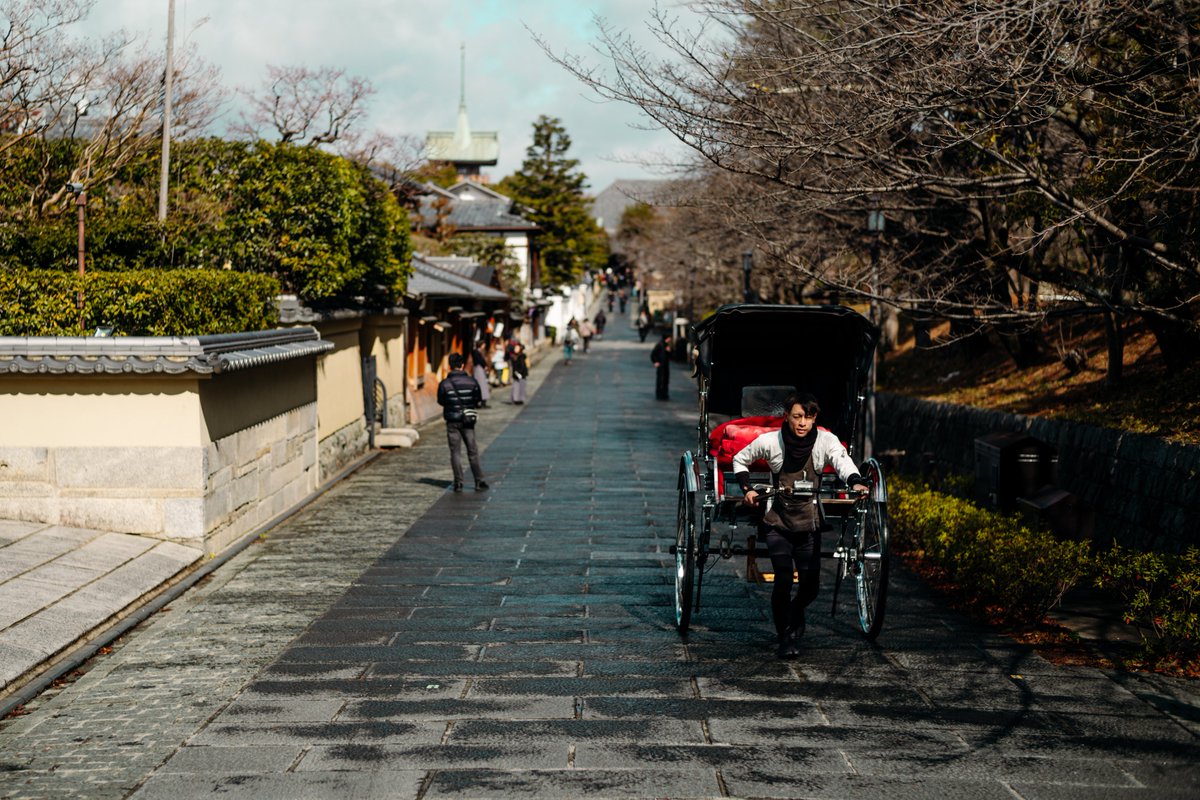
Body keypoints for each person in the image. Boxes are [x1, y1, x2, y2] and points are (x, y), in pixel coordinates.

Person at [733, 393, 868, 659]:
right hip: (777, 521)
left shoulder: (825, 440)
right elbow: (740, 459)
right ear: (787, 417)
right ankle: (785, 636)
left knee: (810, 587)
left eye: (807, 417)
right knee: (783, 578)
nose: (802, 423)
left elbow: (841, 461)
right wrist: (747, 489)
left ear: (815, 418)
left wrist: (855, 481)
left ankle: (795, 611)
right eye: (797, 417)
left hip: (809, 522)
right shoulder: (771, 441)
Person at [436, 353, 489, 493]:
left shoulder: (444, 384)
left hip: (452, 421)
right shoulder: (472, 382)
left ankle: (458, 482)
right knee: (472, 451)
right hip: (468, 421)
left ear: (450, 366)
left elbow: (441, 401)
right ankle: (479, 480)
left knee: (455, 452)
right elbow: (477, 399)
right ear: (462, 365)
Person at [650, 333, 672, 400]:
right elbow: (653, 354)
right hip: (661, 366)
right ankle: (659, 394)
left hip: (666, 365)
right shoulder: (660, 344)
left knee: (665, 380)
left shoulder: (666, 345)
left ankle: (664, 394)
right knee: (660, 380)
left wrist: (669, 351)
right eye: (669, 338)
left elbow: (670, 357)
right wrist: (655, 362)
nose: (670, 339)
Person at [470, 342, 491, 408]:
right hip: (479, 369)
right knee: (481, 385)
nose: (484, 346)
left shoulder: (479, 352)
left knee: (481, 385)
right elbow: (480, 360)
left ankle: (481, 401)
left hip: (479, 369)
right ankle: (481, 401)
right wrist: (484, 365)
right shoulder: (476, 352)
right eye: (483, 345)